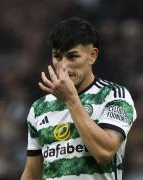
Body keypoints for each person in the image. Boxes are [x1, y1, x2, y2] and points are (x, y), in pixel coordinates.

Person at [21, 17, 137, 180]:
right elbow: (32, 175)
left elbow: (105, 153)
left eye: (72, 57)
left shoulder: (113, 95)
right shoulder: (39, 108)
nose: (63, 66)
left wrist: (71, 101)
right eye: (57, 56)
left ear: (92, 56)